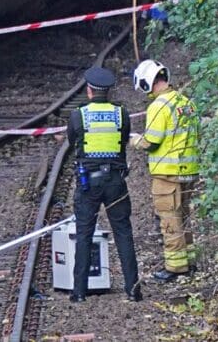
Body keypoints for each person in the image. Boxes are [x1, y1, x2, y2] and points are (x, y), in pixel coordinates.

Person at [67, 66, 142, 302]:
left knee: (84, 233)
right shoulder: (122, 114)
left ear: (89, 91)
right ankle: (133, 290)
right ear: (108, 92)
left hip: (89, 182)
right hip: (116, 182)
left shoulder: (79, 115)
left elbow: (73, 141)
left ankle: (79, 292)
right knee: (123, 232)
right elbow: (124, 139)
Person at [131, 59, 200, 282]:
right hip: (189, 170)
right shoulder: (186, 102)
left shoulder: (159, 106)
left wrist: (133, 140)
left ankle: (175, 268)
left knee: (169, 220)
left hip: (167, 174)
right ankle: (189, 261)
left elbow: (151, 141)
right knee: (184, 217)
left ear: (146, 82)